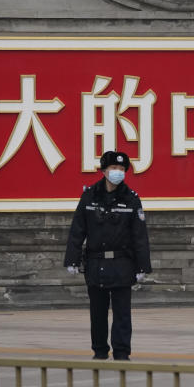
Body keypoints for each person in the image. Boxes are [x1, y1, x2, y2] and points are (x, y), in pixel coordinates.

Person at [64, 150, 152, 360]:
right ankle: (100, 350)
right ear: (104, 170)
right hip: (96, 263)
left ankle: (122, 352)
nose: (118, 172)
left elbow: (139, 235)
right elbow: (78, 229)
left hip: (122, 263)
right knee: (98, 312)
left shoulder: (131, 199)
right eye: (114, 168)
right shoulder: (89, 196)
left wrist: (143, 266)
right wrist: (72, 259)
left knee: (122, 313)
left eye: (122, 169)